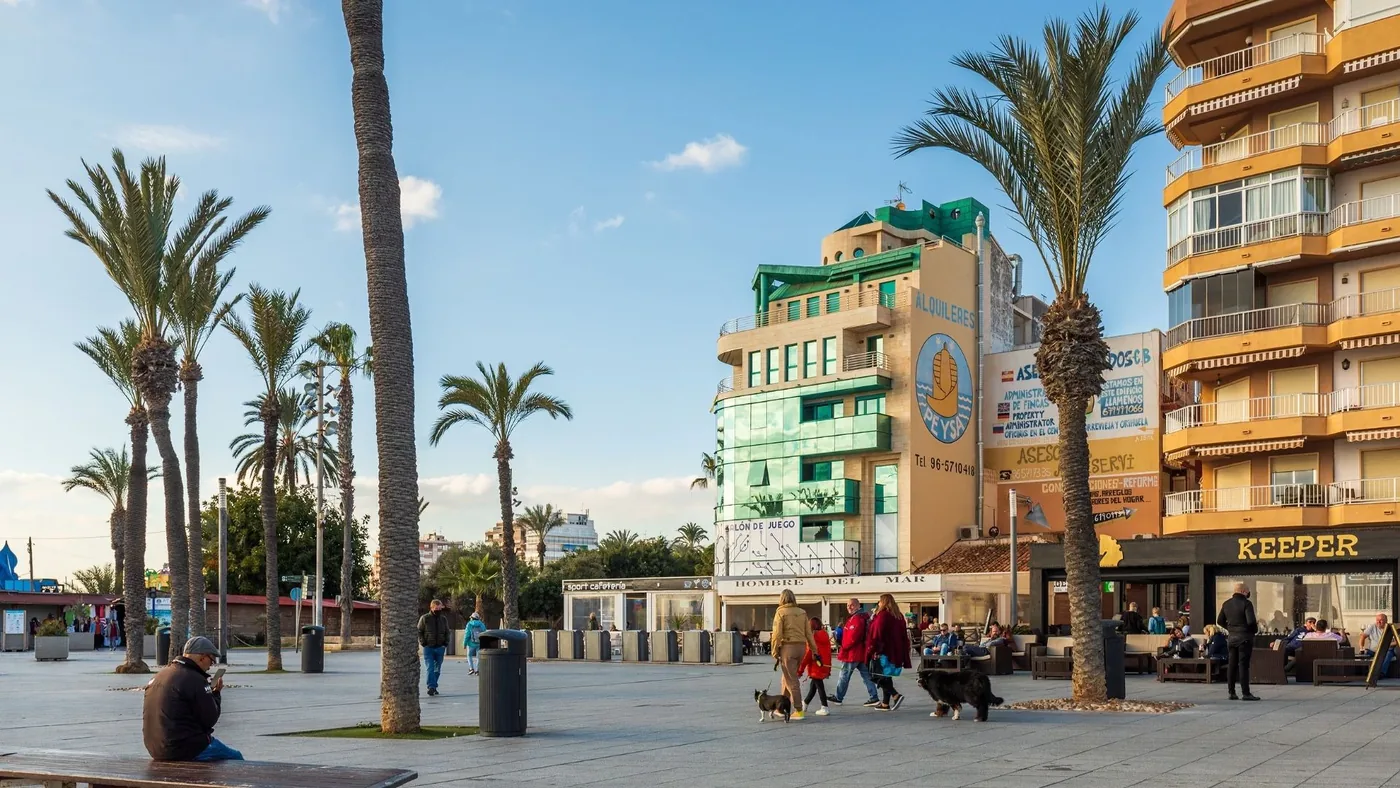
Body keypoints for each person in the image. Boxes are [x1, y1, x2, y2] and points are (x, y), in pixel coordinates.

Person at [143, 636, 241, 761]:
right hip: (185, 748)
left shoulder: (159, 675)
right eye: (211, 660)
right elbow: (210, 719)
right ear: (202, 657)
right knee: (236, 758)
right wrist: (216, 693)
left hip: (155, 748)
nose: (211, 666)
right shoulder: (195, 679)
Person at [771, 589, 820, 721]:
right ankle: (781, 707)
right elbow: (809, 634)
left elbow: (777, 634)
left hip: (788, 647)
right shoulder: (802, 612)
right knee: (786, 678)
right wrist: (815, 650)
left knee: (791, 679)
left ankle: (798, 710)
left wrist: (774, 651)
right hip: (801, 647)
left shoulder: (780, 612)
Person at [865, 593, 911, 711]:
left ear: (883, 602)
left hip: (883, 650)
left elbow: (877, 634)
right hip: (894, 650)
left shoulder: (883, 615)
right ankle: (885, 703)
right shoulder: (898, 615)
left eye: (880, 601)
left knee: (876, 675)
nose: (878, 603)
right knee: (886, 675)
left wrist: (874, 649)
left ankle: (895, 695)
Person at [830, 598, 879, 707]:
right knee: (866, 676)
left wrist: (844, 647)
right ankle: (874, 697)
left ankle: (838, 697)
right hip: (861, 652)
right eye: (847, 605)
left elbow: (852, 638)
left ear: (858, 605)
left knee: (844, 676)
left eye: (851, 605)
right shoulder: (862, 617)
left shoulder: (856, 619)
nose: (849, 607)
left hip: (852, 654)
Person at [1217, 582, 1259, 701]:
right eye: (1247, 591)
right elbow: (1251, 621)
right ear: (1243, 591)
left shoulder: (1226, 604)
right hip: (1244, 637)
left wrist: (1230, 628)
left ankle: (1231, 692)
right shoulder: (1246, 603)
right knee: (1243, 665)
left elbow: (1219, 620)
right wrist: (1252, 631)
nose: (1248, 593)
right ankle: (1246, 693)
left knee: (1232, 665)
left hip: (1232, 638)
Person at [800, 616, 833, 716]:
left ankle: (825, 707)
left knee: (819, 686)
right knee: (814, 685)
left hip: (816, 665)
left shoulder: (812, 637)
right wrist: (829, 669)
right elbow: (828, 653)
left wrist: (800, 670)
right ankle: (805, 703)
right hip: (824, 664)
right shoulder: (825, 635)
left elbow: (808, 654)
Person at [417, 599, 451, 697]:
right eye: (437, 608)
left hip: (440, 647)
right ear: (432, 608)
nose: (438, 610)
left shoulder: (443, 619)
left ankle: (434, 686)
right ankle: (431, 686)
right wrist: (423, 643)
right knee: (430, 668)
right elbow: (419, 631)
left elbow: (447, 632)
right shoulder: (425, 618)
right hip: (429, 648)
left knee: (437, 669)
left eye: (440, 608)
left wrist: (445, 643)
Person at [1360, 613, 1396, 678]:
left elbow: (1397, 641)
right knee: (1363, 653)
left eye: (1381, 620)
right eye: (1377, 620)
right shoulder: (1372, 626)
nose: (1378, 622)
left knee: (1389, 653)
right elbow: (1363, 636)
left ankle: (1380, 673)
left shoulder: (1391, 628)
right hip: (1372, 650)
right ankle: (1362, 673)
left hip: (1385, 651)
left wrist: (1385, 644)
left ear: (1386, 621)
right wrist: (1361, 647)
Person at [463, 612, 487, 676]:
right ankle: (477, 670)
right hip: (479, 643)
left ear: (472, 618)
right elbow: (485, 633)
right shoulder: (482, 624)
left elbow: (467, 635)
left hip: (470, 644)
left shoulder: (469, 624)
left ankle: (471, 669)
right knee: (478, 657)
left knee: (469, 655)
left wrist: (464, 643)